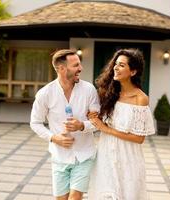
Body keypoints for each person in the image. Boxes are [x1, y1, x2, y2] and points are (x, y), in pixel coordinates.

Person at [30, 49, 100, 200]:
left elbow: (97, 121)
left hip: (84, 155)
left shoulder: (89, 90)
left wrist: (82, 125)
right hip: (59, 156)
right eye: (75, 65)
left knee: (75, 198)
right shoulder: (45, 93)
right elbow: (35, 123)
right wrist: (53, 138)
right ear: (62, 69)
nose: (80, 68)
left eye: (79, 64)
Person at [87, 49, 155, 200]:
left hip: (128, 158)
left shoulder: (141, 98)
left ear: (133, 71)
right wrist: (93, 118)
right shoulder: (109, 94)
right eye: (115, 64)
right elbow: (98, 121)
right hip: (106, 155)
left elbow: (139, 138)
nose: (116, 68)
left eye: (122, 65)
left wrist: (106, 129)